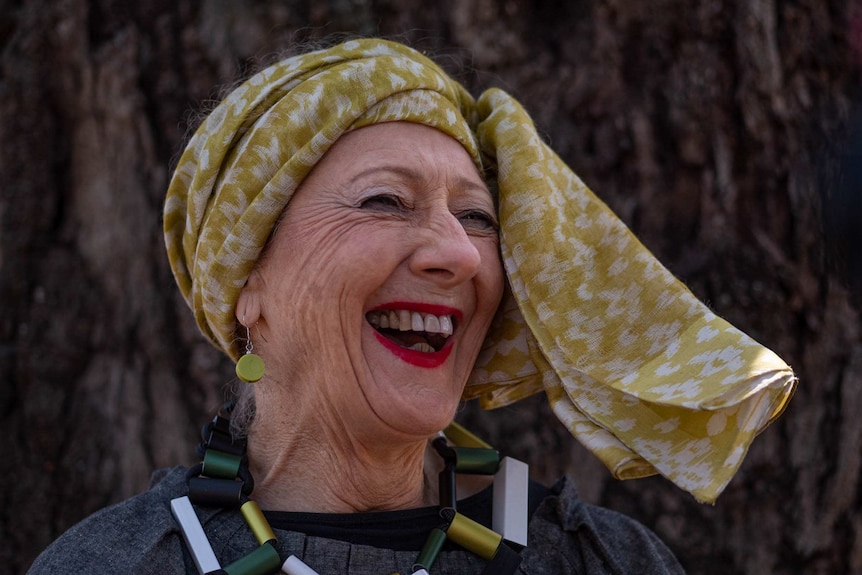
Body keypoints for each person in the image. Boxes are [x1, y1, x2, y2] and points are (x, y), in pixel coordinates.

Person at [29, 38, 796, 575]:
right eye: (385, 200)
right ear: (246, 284)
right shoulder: (119, 563)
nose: (458, 254)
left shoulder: (603, 561)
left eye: (478, 217)